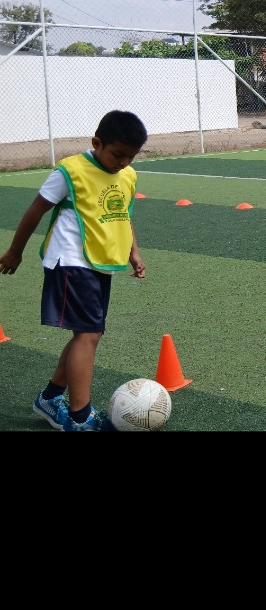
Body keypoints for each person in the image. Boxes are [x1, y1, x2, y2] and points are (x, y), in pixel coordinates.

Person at [0, 110, 148, 429]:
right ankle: (79, 418)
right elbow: (36, 210)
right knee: (89, 334)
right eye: (117, 154)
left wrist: (134, 253)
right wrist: (15, 251)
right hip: (70, 260)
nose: (123, 162)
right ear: (97, 143)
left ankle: (50, 398)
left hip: (100, 263)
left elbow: (123, 216)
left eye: (131, 157)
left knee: (88, 333)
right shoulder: (71, 171)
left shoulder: (127, 175)